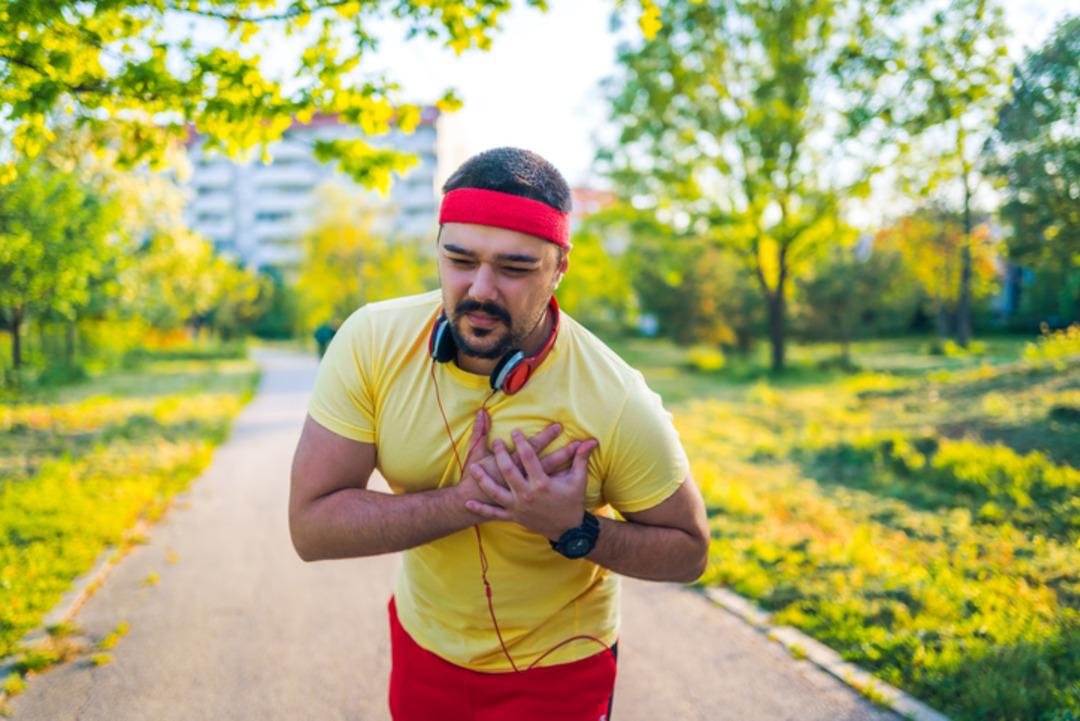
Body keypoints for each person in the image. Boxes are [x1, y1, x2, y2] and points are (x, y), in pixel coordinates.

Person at [289, 147, 710, 721]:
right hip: (424, 646)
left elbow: (690, 552)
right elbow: (312, 529)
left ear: (559, 267)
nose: (481, 289)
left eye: (515, 268)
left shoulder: (616, 397)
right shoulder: (369, 341)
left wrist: (574, 529)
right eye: (459, 259)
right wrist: (466, 502)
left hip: (561, 666)